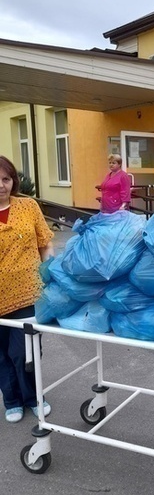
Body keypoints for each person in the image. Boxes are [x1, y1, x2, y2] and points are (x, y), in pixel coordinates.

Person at [0, 156, 54, 422]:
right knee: (1, 356)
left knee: (25, 353)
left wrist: (51, 273)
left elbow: (45, 243)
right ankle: (11, 401)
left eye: (5, 179)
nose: (1, 185)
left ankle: (33, 396)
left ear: (13, 181)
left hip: (28, 293)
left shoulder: (28, 206)